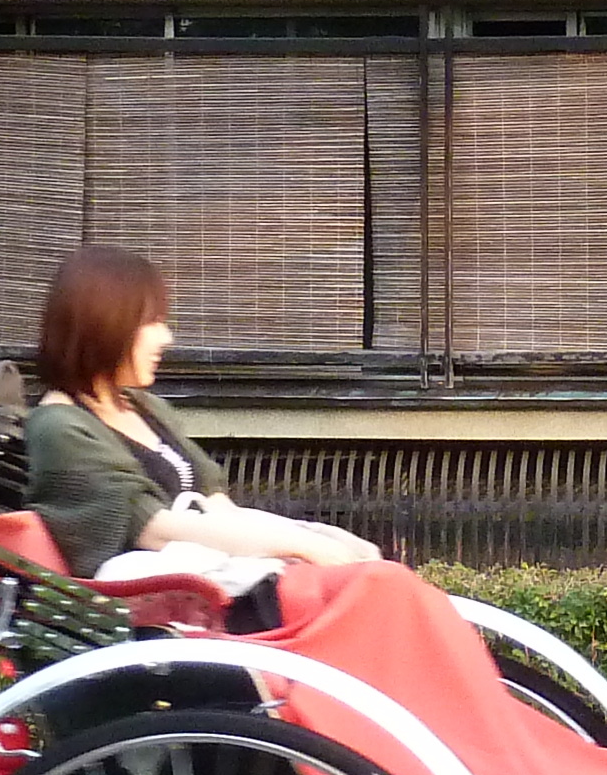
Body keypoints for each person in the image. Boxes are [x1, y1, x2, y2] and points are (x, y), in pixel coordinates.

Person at [24, 247, 383, 580]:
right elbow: (153, 529)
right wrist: (299, 545)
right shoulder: (59, 426)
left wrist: (315, 540)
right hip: (176, 602)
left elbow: (218, 507)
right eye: (151, 322)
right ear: (103, 323)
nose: (166, 338)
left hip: (223, 577)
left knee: (376, 577)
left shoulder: (145, 407)